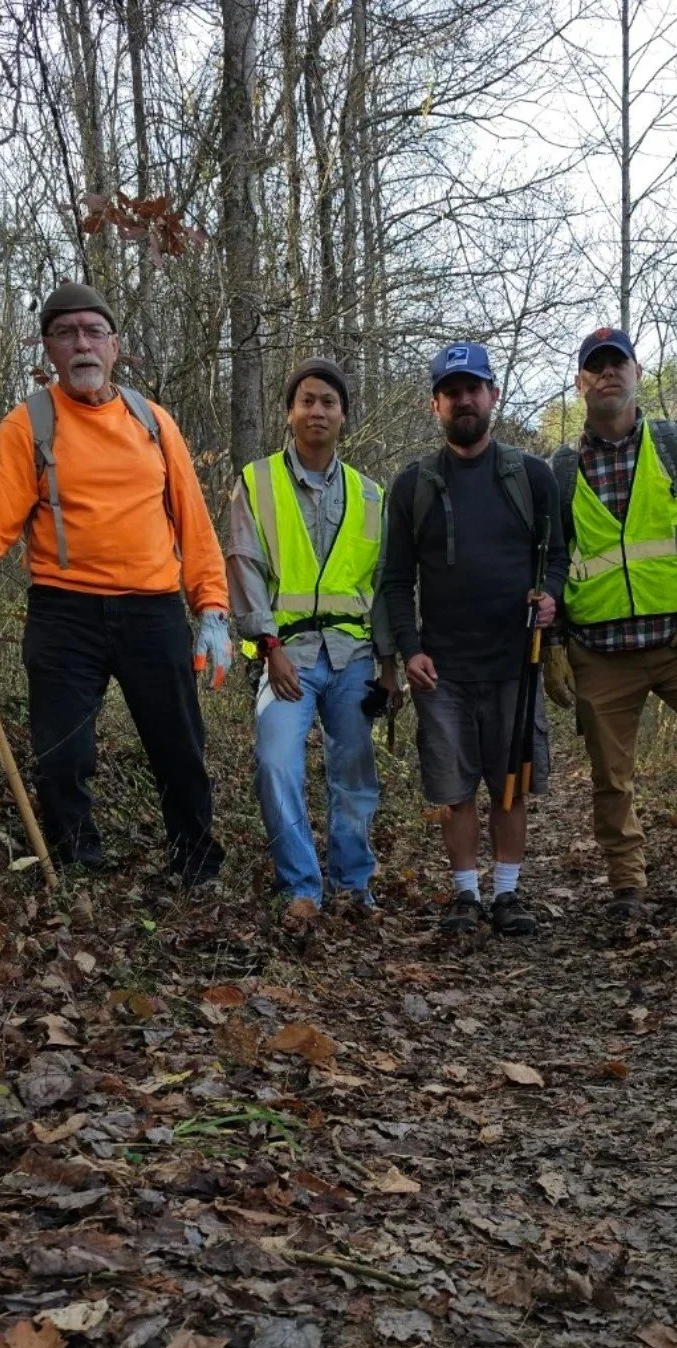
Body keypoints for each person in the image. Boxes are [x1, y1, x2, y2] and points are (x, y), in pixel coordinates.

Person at [0, 281, 230, 883]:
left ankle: (197, 868)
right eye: (66, 334)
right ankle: (78, 865)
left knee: (180, 751)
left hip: (153, 610)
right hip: (65, 614)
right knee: (62, 756)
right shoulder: (27, 425)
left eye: (93, 332)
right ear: (48, 350)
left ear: (115, 346)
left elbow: (195, 524)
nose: (81, 345)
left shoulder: (154, 423)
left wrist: (212, 610)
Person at [546, 327, 677, 918]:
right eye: (596, 367)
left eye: (618, 363)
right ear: (581, 384)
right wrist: (555, 647)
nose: (608, 374)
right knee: (610, 777)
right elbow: (553, 561)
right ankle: (627, 886)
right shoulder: (561, 471)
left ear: (637, 374)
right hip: (600, 652)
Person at [382, 342, 568, 936]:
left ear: (493, 396)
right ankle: (466, 896)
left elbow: (558, 557)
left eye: (474, 388)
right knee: (454, 788)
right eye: (451, 391)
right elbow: (394, 579)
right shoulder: (414, 485)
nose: (464, 400)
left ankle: (508, 896)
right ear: (434, 404)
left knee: (509, 786)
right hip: (444, 668)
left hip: (517, 660)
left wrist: (552, 598)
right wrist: (410, 649)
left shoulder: (531, 476)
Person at [226, 358, 399, 924]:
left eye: (328, 401)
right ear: (290, 412)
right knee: (276, 761)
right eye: (307, 400)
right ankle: (301, 885)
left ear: (343, 415)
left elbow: (385, 586)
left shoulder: (371, 496)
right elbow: (244, 568)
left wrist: (389, 663)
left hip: (354, 658)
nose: (317, 410)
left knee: (354, 770)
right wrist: (268, 647)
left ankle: (353, 884)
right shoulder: (257, 483)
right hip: (287, 658)